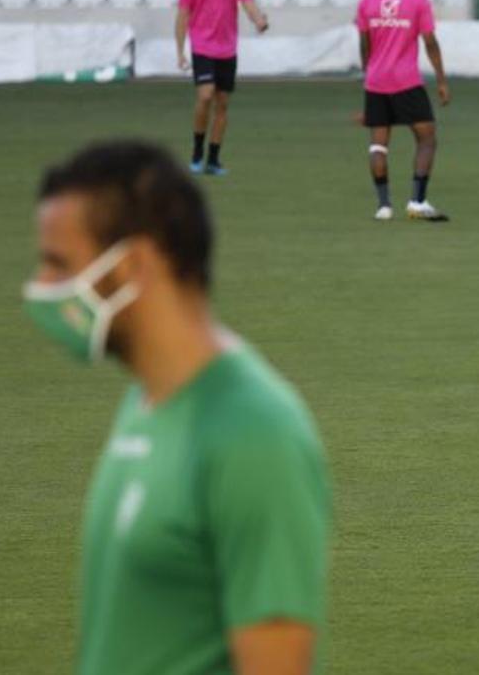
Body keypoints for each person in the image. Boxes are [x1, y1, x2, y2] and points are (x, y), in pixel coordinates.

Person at [21, 141, 331, 673]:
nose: (42, 290)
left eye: (58, 264)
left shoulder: (255, 435)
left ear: (134, 264)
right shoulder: (145, 403)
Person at [357, 0, 451, 221]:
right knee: (427, 139)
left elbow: (364, 43)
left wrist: (368, 74)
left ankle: (384, 206)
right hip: (406, 82)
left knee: (378, 144)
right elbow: (430, 41)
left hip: (376, 82)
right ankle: (417, 201)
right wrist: (441, 81)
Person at [176, 0, 269, 176]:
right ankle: (197, 152)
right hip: (202, 47)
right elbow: (183, 14)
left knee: (222, 104)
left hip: (227, 50)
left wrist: (259, 19)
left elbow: (248, 4)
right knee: (205, 95)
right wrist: (180, 51)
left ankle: (213, 160)